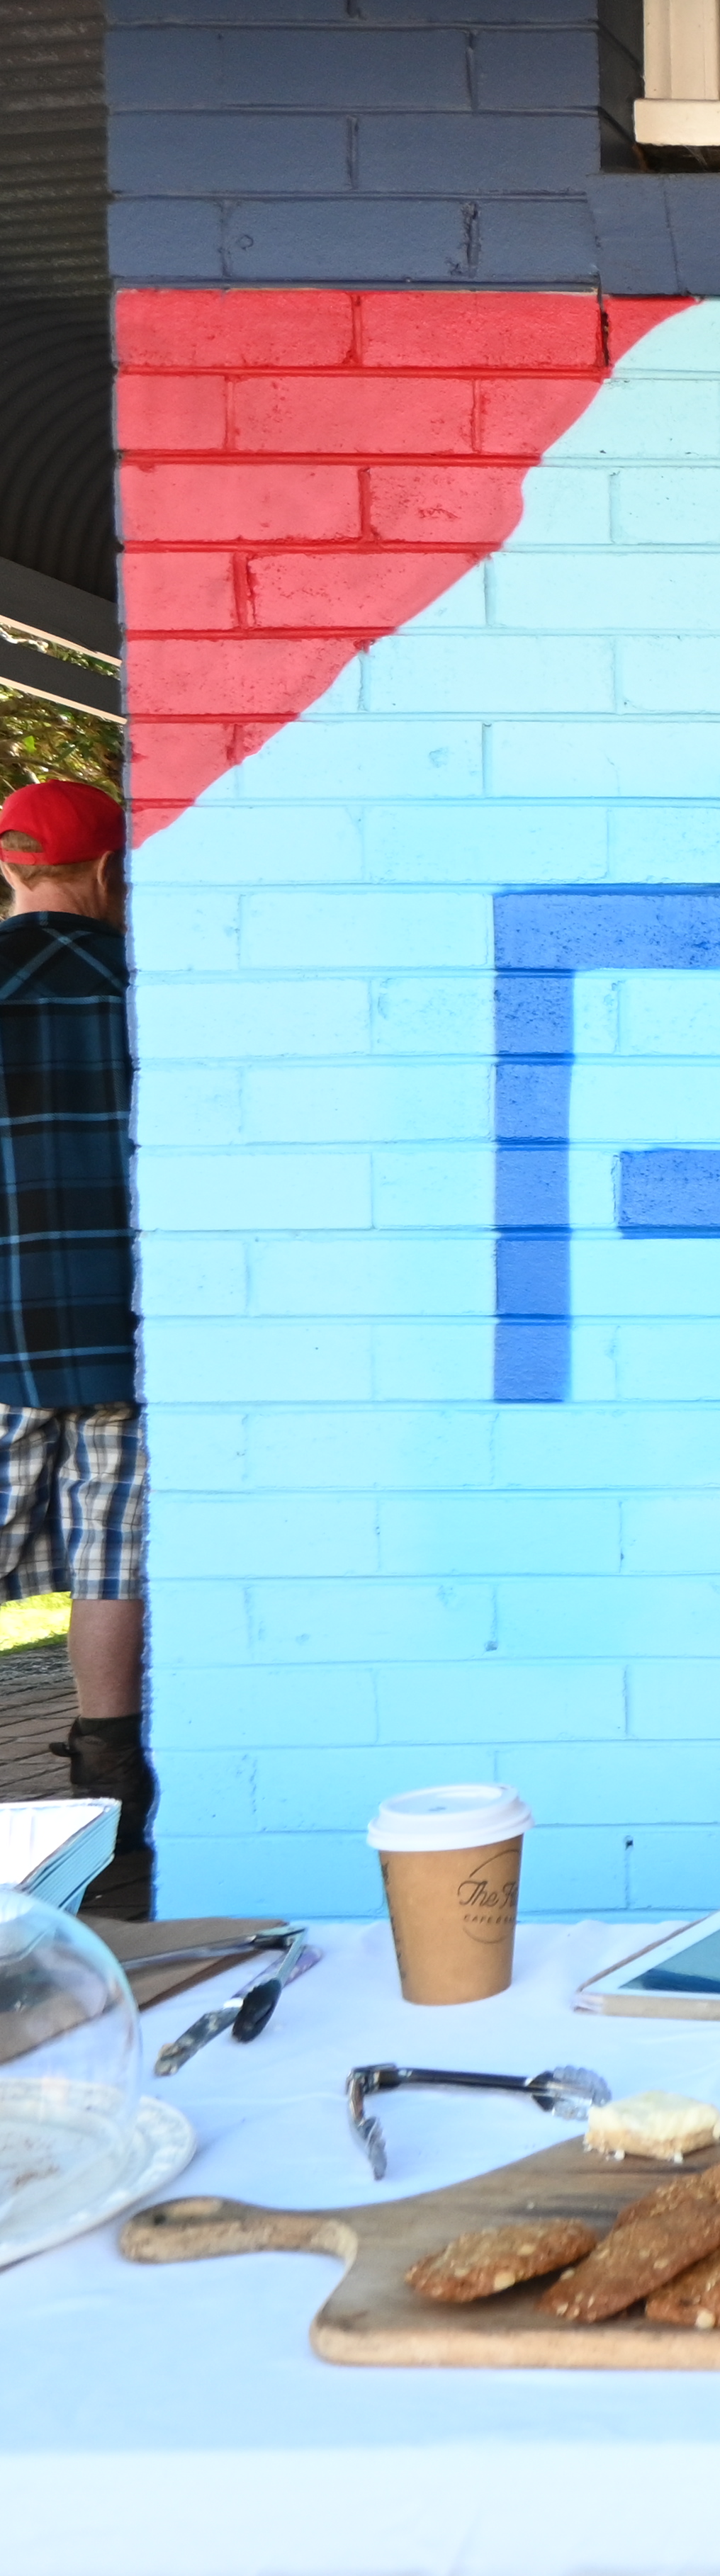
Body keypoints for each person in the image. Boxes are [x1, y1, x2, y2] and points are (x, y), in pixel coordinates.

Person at [0, 777, 149, 1905]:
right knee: (111, 1557)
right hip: (116, 1329)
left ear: (14, 869)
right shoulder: (137, 992)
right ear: (105, 872)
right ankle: (109, 1783)